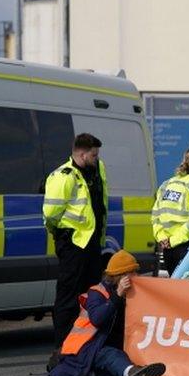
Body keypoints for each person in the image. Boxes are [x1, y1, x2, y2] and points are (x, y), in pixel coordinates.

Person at [47, 251, 167, 376]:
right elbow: (98, 319)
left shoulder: (130, 295)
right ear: (122, 276)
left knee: (114, 363)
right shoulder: (97, 293)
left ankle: (101, 374)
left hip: (102, 349)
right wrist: (118, 294)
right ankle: (131, 373)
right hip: (86, 349)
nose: (137, 276)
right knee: (112, 356)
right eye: (133, 272)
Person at [43, 133, 109, 351]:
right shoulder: (65, 176)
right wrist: (61, 235)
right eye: (93, 154)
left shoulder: (97, 170)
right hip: (73, 243)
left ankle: (86, 343)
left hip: (91, 243)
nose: (97, 158)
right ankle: (63, 346)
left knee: (90, 295)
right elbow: (51, 213)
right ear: (82, 153)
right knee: (67, 297)